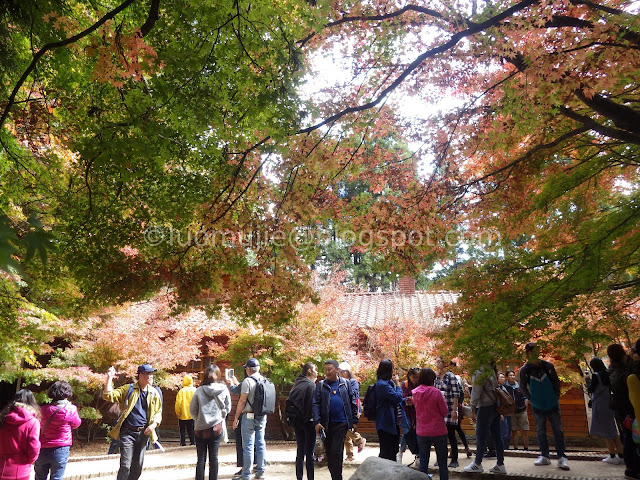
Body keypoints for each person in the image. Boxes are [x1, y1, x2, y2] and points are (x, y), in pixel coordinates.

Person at [102, 364, 163, 480]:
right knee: (125, 466)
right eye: (148, 374)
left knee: (137, 467)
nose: (151, 376)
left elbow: (158, 412)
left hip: (144, 434)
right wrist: (109, 377)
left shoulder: (154, 393)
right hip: (127, 433)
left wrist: (154, 425)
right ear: (141, 375)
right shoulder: (128, 389)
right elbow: (108, 395)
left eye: (152, 374)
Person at [519, 342, 569, 470]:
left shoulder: (548, 366)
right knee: (541, 431)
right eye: (530, 351)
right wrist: (531, 399)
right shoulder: (525, 369)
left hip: (552, 403)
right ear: (527, 353)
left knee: (558, 430)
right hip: (537, 405)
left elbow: (556, 382)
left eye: (534, 350)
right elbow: (523, 387)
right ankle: (544, 455)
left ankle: (562, 457)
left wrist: (555, 396)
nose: (533, 353)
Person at [312, 359, 358, 480]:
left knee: (336, 452)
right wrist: (317, 421)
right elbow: (315, 403)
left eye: (330, 369)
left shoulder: (346, 384)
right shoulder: (321, 385)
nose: (327, 372)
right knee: (330, 453)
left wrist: (354, 421)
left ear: (337, 370)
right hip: (326, 425)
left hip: (341, 423)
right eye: (325, 369)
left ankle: (337, 477)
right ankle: (335, 476)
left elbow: (353, 403)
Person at [190, 364, 231, 480]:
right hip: (216, 427)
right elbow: (228, 408)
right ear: (218, 375)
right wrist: (220, 416)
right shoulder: (223, 389)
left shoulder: (198, 391)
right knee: (214, 457)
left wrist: (199, 420)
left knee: (201, 458)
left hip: (200, 428)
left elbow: (192, 410)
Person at [34, 381, 82, 480]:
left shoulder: (43, 409)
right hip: (61, 448)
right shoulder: (71, 409)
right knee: (57, 477)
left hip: (43, 446)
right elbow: (76, 424)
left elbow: (38, 425)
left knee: (39, 477)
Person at [463, 365, 507, 474]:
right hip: (494, 406)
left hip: (484, 407)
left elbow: (476, 392)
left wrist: (472, 408)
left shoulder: (479, 371)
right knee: (497, 436)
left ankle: (477, 463)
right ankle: (500, 464)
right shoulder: (490, 370)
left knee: (481, 436)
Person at [232, 358, 268, 480]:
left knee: (248, 445)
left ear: (248, 369)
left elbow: (242, 401)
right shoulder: (265, 380)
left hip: (248, 415)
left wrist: (236, 418)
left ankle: (246, 474)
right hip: (262, 415)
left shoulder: (248, 381)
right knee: (260, 443)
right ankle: (260, 471)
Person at [412, 367, 449, 479]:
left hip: (422, 431)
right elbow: (445, 411)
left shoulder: (415, 393)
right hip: (438, 431)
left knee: (423, 462)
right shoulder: (436, 393)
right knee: (442, 463)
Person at [608, 343, 638, 479]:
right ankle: (632, 468)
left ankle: (630, 467)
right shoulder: (625, 370)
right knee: (632, 437)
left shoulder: (611, 369)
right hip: (629, 407)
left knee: (627, 436)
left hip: (619, 407)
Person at [588, 357, 623, 464]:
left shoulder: (595, 376)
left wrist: (587, 382)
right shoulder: (607, 374)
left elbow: (591, 389)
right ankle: (621, 455)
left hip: (600, 405)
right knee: (612, 428)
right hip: (609, 403)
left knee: (606, 431)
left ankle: (612, 455)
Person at [0, 389, 41, 480]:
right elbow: (34, 448)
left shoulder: (3, 418)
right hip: (20, 470)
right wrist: (29, 460)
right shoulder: (33, 422)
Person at [288, 362, 318, 480]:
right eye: (315, 369)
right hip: (308, 422)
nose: (317, 371)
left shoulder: (298, 383)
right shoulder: (310, 385)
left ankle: (299, 477)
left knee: (300, 451)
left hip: (297, 421)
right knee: (309, 454)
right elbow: (312, 405)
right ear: (309, 371)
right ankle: (310, 477)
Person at [374, 359, 403, 462]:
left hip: (392, 421)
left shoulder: (387, 383)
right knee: (387, 451)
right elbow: (397, 397)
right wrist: (398, 384)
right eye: (392, 368)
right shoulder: (383, 385)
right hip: (385, 422)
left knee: (393, 448)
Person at [434, 356, 460, 468]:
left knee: (451, 434)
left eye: (439, 361)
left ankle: (454, 459)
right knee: (439, 436)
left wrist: (455, 410)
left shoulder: (451, 377)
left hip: (449, 409)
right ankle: (440, 459)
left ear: (444, 363)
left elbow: (456, 395)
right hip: (439, 411)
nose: (437, 363)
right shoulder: (436, 377)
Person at [338, 362, 366, 462]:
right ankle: (350, 455)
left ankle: (359, 440)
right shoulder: (342, 381)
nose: (340, 374)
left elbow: (353, 397)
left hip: (353, 409)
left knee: (347, 428)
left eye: (341, 372)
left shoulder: (353, 382)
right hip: (345, 409)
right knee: (345, 434)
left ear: (346, 372)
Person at [449, 361, 473, 458]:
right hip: (456, 405)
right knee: (456, 428)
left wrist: (458, 405)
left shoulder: (456, 378)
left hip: (454, 406)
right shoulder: (458, 378)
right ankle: (465, 448)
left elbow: (461, 393)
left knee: (454, 428)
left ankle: (456, 451)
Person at [505, 370, 529, 450]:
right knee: (514, 431)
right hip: (512, 412)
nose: (512, 377)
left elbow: (525, 397)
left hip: (522, 411)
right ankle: (516, 448)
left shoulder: (519, 386)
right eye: (510, 375)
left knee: (524, 430)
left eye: (513, 375)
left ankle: (526, 448)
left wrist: (525, 407)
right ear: (507, 377)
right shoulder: (505, 387)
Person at [400, 367, 420, 465]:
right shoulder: (405, 385)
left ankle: (418, 456)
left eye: (417, 377)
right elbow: (403, 398)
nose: (415, 379)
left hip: (419, 413)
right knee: (407, 433)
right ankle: (400, 453)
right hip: (407, 413)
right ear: (409, 376)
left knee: (418, 434)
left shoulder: (421, 384)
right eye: (414, 377)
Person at [175, 374, 197, 446]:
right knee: (192, 429)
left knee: (182, 430)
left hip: (183, 414)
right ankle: (193, 442)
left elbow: (178, 402)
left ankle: (183, 443)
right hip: (193, 414)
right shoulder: (195, 390)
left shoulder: (182, 391)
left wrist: (177, 411)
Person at [497, 372, 511, 450]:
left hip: (506, 412)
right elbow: (498, 402)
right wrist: (500, 413)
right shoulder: (497, 389)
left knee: (507, 431)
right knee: (503, 431)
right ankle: (502, 448)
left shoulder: (504, 387)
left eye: (503, 377)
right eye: (501, 377)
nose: (503, 379)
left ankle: (506, 447)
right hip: (501, 413)